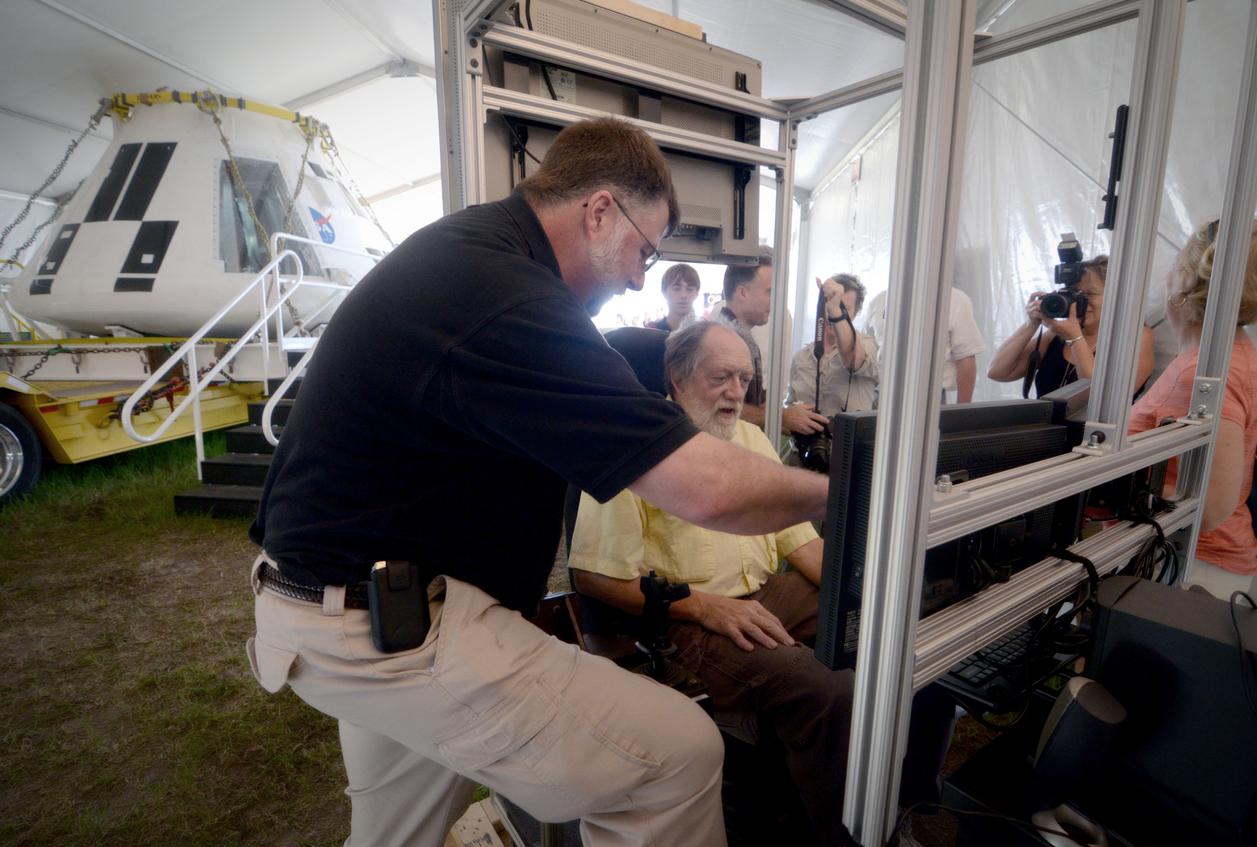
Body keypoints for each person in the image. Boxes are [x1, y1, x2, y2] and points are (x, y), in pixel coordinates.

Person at [245, 118, 828, 847]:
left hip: (345, 608)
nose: (636, 278)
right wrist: (845, 489)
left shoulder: (471, 254)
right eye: (643, 252)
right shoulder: (505, 293)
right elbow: (700, 487)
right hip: (385, 627)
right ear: (598, 211)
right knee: (676, 757)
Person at [570, 319, 955, 845]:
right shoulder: (635, 447)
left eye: (745, 379)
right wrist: (706, 608)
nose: (736, 393)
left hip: (764, 594)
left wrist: (869, 593)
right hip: (687, 616)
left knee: (909, 629)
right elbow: (593, 577)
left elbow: (801, 545)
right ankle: (848, 837)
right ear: (678, 380)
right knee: (830, 690)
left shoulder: (750, 437)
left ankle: (910, 797)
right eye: (721, 377)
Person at [1128, 219, 1257, 603]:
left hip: (1190, 564)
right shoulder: (1225, 349)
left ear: (1186, 280)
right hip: (1190, 559)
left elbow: (1211, 506)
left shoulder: (1206, 371)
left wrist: (1105, 489)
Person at [987, 255, 1155, 398]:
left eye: (1089, 294)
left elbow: (1097, 396)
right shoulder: (1056, 336)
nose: (1079, 302)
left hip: (1097, 435)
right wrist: (1031, 324)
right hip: (1045, 433)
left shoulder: (1137, 337)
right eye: (1075, 294)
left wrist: (1075, 338)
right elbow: (998, 371)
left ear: (1118, 296)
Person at [716, 253, 810, 433]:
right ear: (743, 292)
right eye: (770, 292)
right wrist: (784, 417)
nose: (774, 301)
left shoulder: (744, 339)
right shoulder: (724, 342)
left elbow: (748, 405)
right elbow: (719, 406)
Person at [784, 274, 879, 449]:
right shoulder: (801, 358)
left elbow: (854, 359)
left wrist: (836, 311)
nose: (830, 313)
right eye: (828, 304)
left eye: (844, 308)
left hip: (849, 460)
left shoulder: (867, 346)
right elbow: (790, 410)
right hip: (805, 458)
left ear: (856, 313)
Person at [866, 285, 986, 403]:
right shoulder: (879, 301)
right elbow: (870, 350)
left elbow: (966, 358)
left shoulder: (954, 299)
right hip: (884, 395)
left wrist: (962, 413)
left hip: (931, 399)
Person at [647, 263, 700, 331]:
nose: (683, 295)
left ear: (697, 293)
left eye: (690, 289)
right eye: (676, 289)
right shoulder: (652, 331)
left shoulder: (704, 335)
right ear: (664, 292)